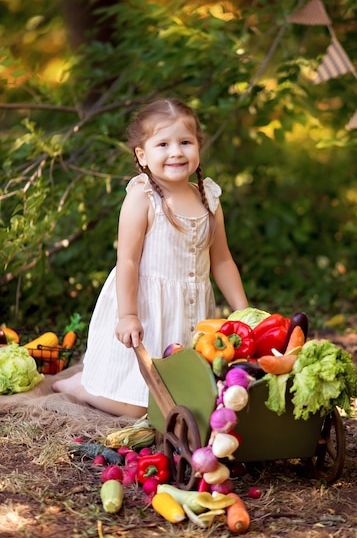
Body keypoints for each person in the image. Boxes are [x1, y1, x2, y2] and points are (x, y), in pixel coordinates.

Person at [53, 98, 248, 417]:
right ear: (142, 155)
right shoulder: (142, 198)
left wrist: (243, 311)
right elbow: (127, 261)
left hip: (189, 315)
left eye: (185, 142)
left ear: (198, 146)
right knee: (139, 406)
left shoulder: (208, 198)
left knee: (188, 399)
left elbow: (222, 259)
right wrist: (127, 315)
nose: (176, 152)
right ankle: (80, 386)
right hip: (146, 311)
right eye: (163, 144)